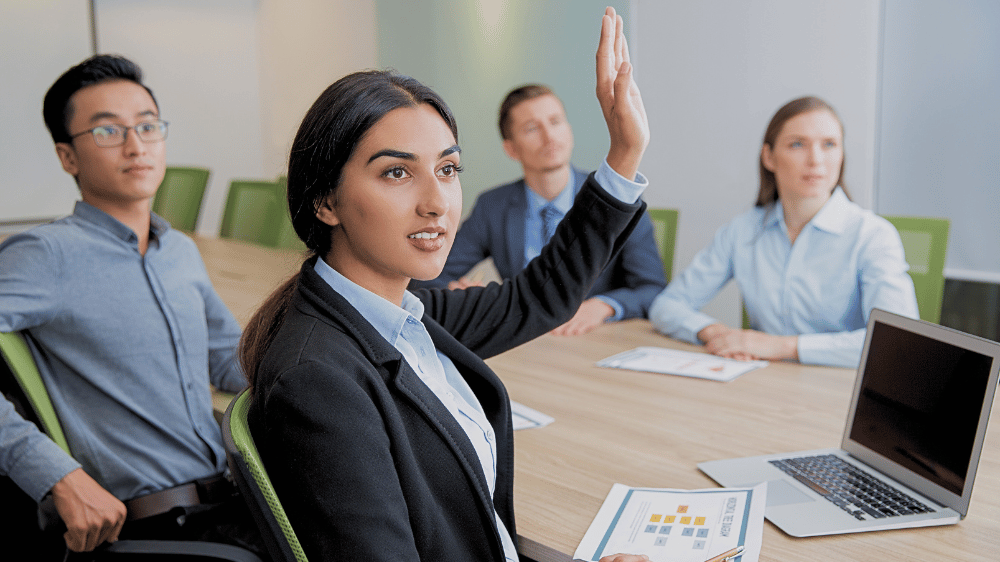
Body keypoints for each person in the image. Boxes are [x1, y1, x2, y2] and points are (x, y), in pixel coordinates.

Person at [240, 8, 652, 562]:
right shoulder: (319, 379)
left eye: (448, 169)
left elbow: (536, 298)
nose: (436, 203)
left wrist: (623, 154)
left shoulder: (402, 319)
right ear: (325, 200)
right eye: (397, 172)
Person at [0, 55, 260, 557]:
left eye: (147, 126)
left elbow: (230, 361)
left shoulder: (179, 251)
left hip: (232, 498)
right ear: (67, 157)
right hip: (154, 526)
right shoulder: (44, 256)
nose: (136, 145)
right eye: (107, 132)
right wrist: (55, 474)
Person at [649, 96, 918, 368]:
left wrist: (780, 346)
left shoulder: (872, 236)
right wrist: (717, 333)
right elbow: (666, 306)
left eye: (829, 144)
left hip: (839, 391)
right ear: (769, 157)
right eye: (797, 144)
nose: (816, 160)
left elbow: (895, 342)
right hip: (765, 385)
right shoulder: (742, 231)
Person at [408, 83, 666, 335]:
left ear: (569, 131)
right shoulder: (493, 205)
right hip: (525, 341)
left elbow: (652, 289)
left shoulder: (616, 198)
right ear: (511, 148)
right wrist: (452, 294)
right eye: (532, 128)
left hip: (592, 338)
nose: (549, 136)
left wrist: (604, 306)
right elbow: (430, 274)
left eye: (556, 122)